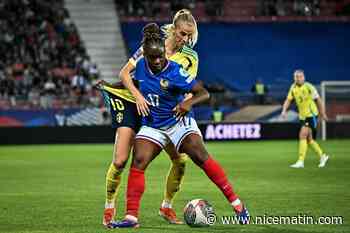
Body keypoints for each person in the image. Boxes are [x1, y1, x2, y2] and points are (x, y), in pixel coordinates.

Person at [111, 23, 249, 228]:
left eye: (161, 57)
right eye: (153, 58)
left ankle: (237, 204)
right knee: (138, 160)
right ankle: (131, 217)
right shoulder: (140, 66)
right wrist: (110, 87)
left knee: (200, 156)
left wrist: (187, 103)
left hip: (178, 122)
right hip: (153, 125)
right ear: (145, 56)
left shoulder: (175, 71)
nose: (157, 61)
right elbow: (129, 81)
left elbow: (203, 93)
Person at [100, 9, 200, 227]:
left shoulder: (191, 57)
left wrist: (185, 102)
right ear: (174, 29)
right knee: (119, 161)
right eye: (183, 34)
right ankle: (109, 207)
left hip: (160, 110)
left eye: (189, 36)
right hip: (133, 103)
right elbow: (125, 73)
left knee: (180, 161)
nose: (186, 39)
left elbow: (189, 88)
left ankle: (167, 206)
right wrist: (137, 97)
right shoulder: (154, 43)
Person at [281, 69, 330, 168]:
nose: (297, 78)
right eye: (296, 76)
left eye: (299, 76)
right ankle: (322, 156)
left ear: (304, 77)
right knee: (309, 139)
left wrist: (323, 113)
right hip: (303, 116)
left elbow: (318, 100)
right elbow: (288, 100)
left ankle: (300, 161)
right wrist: (284, 110)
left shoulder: (309, 87)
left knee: (302, 134)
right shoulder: (293, 87)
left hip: (311, 115)